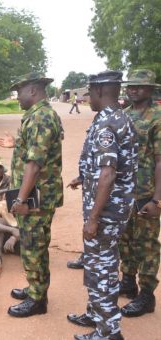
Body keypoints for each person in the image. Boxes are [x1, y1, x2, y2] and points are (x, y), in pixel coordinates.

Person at [67, 71, 137, 340]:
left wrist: (94, 218)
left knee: (102, 269)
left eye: (89, 92)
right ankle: (96, 314)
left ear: (99, 91)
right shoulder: (116, 117)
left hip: (106, 213)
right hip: (112, 208)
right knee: (99, 264)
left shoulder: (108, 124)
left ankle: (108, 332)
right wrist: (83, 176)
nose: (86, 97)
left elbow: (108, 173)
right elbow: (105, 167)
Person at [2, 72, 64, 317]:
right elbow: (35, 148)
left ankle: (38, 300)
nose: (17, 96)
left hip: (35, 196)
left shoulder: (41, 117)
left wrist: (20, 198)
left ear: (33, 91)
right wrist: (16, 143)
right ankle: (34, 288)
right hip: (34, 193)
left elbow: (35, 164)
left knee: (33, 246)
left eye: (20, 91)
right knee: (31, 243)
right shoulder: (38, 116)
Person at [117, 69, 161, 317]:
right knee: (126, 240)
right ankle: (128, 282)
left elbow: (160, 161)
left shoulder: (158, 117)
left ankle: (147, 296)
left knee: (146, 245)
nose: (133, 90)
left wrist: (158, 199)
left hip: (146, 193)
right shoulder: (123, 115)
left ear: (151, 89)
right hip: (124, 192)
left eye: (139, 86)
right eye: (131, 86)